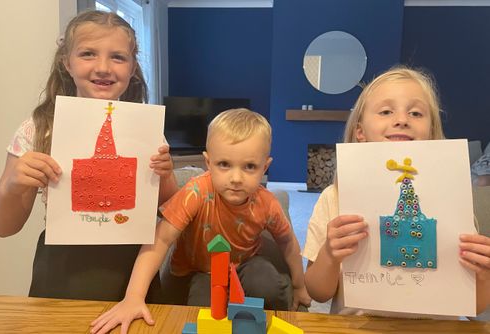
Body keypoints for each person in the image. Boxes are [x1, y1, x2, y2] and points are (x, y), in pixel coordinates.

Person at [0, 10, 178, 302]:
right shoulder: (39, 128)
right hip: (62, 270)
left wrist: (164, 174)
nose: (103, 67)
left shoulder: (146, 129)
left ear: (132, 68)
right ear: (67, 62)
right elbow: (2, 226)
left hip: (132, 271)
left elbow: (171, 209)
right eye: (88, 54)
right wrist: (14, 184)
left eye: (118, 57)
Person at [90, 108, 311, 334]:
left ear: (265, 167)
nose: (236, 178)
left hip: (244, 266)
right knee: (201, 306)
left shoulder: (267, 203)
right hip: (195, 272)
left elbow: (288, 242)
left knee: (267, 283)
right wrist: (133, 297)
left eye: (250, 167)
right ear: (208, 162)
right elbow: (161, 239)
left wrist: (299, 285)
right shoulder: (195, 192)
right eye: (224, 164)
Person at [303, 66, 490, 317]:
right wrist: (329, 254)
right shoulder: (334, 197)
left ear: (431, 133)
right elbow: (317, 292)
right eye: (386, 111)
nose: (402, 119)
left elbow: (474, 308)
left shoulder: (452, 198)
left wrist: (483, 275)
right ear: (360, 132)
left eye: (415, 112)